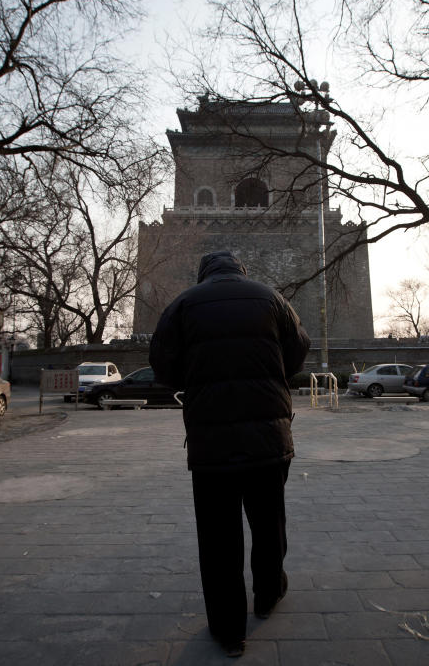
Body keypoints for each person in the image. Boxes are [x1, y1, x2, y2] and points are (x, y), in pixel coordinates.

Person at [149, 251, 310, 658]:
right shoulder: (273, 300)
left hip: (211, 443)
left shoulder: (184, 304)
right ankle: (269, 594)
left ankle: (228, 631)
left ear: (203, 274)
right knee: (269, 521)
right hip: (270, 437)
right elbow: (297, 351)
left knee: (218, 538)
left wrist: (199, 375)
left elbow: (162, 366)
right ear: (243, 271)